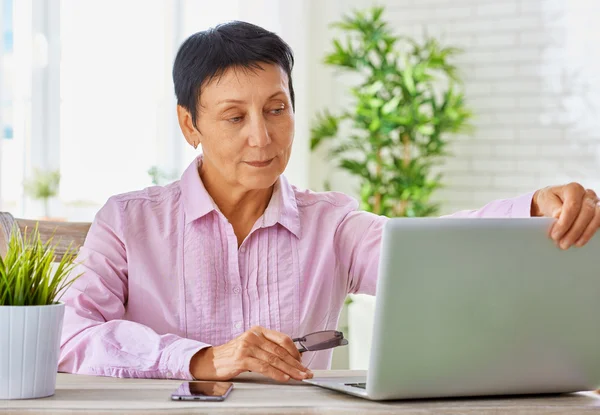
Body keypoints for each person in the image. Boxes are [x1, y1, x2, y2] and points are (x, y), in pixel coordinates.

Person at [58, 21, 600, 383]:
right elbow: (71, 338)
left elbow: (427, 252)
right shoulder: (128, 222)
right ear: (189, 124)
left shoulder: (332, 223)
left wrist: (532, 210)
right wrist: (202, 358)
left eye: (276, 109)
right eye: (234, 117)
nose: (262, 138)